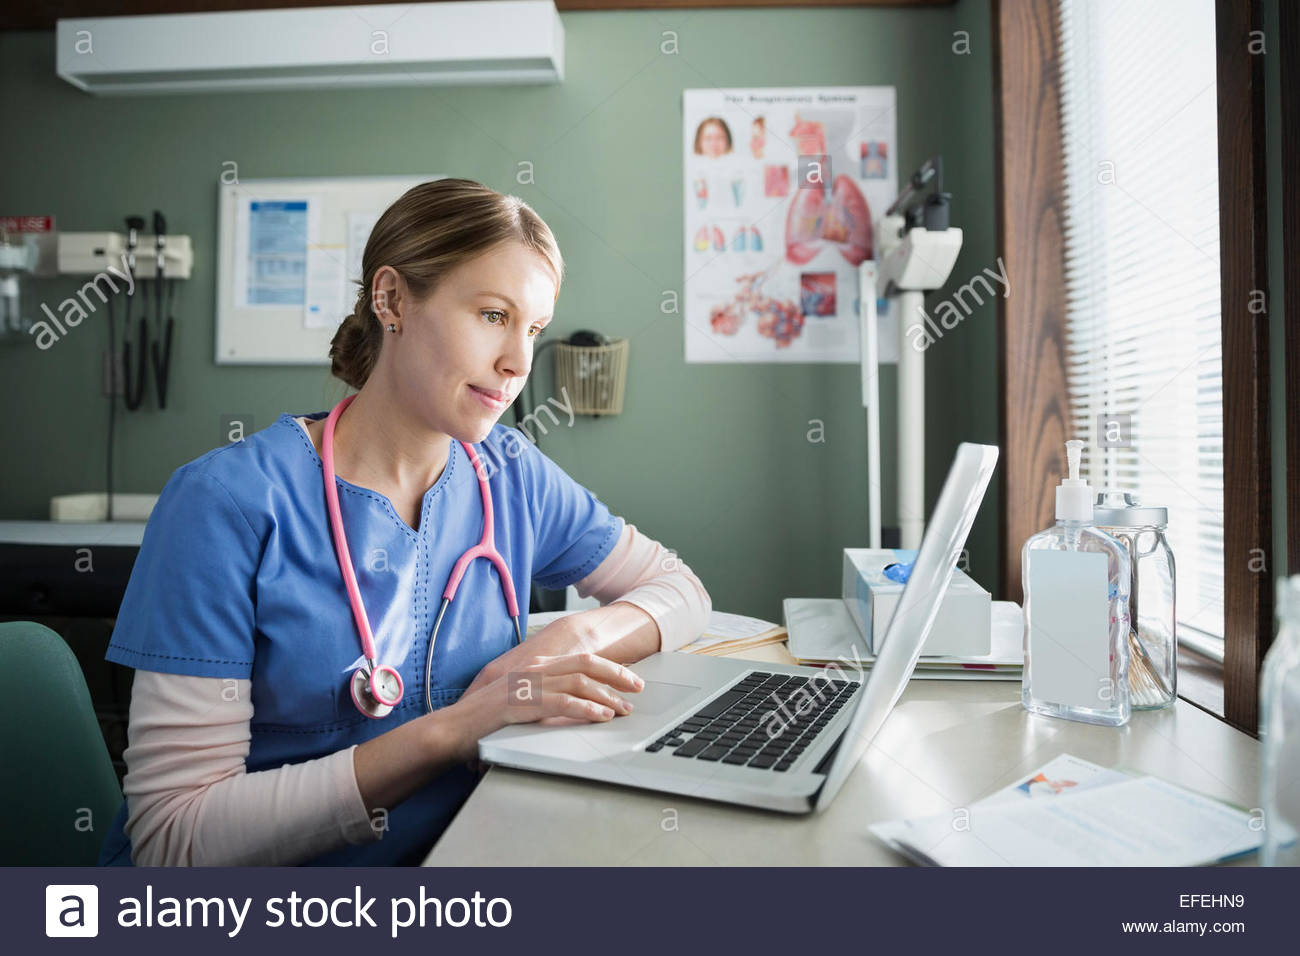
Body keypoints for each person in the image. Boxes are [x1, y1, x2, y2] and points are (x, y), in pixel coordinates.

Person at [95, 178, 712, 866]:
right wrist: (457, 728)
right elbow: (172, 841)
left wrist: (567, 640)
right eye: (491, 315)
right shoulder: (226, 502)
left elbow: (680, 589)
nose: (518, 363)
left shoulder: (509, 472)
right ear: (391, 300)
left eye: (533, 328)